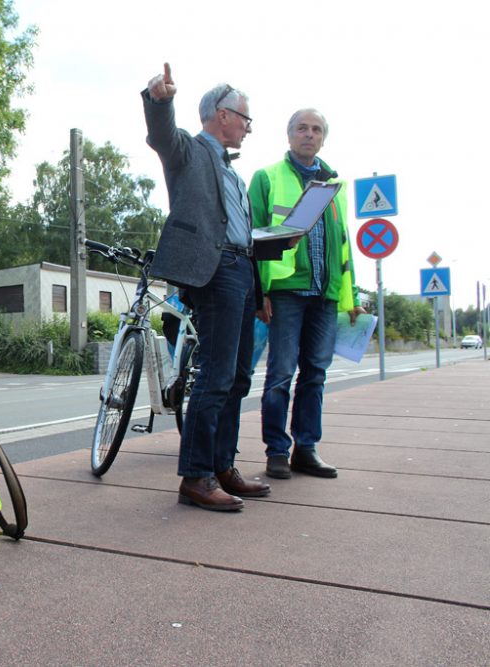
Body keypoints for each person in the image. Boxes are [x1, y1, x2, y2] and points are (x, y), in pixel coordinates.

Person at [142, 63, 277, 512]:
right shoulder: (189, 151)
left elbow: (243, 236)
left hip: (241, 273)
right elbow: (162, 135)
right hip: (214, 272)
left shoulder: (235, 174)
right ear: (222, 114)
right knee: (216, 377)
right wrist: (159, 100)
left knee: (238, 377)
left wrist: (259, 294)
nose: (248, 128)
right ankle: (195, 476)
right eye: (245, 118)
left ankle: (222, 466)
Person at [249, 109, 365, 480]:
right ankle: (277, 452)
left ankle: (307, 449)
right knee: (281, 373)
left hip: (326, 294)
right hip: (285, 291)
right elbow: (251, 238)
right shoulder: (267, 177)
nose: (309, 134)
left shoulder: (335, 186)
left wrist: (350, 297)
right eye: (302, 128)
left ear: (323, 139)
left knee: (316, 373)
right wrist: (259, 291)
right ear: (289, 135)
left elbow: (344, 246)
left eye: (316, 130)